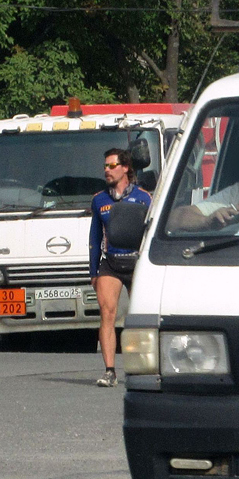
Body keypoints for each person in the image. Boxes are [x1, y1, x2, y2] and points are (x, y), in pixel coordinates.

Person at [89, 147, 152, 387]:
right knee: (107, 313)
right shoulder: (99, 200)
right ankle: (109, 371)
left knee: (140, 317)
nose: (106, 170)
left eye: (111, 166)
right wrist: (93, 271)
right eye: (105, 166)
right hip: (111, 263)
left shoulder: (144, 197)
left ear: (125, 168)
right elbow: (95, 238)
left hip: (137, 262)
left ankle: (143, 369)